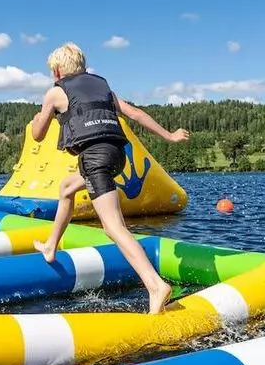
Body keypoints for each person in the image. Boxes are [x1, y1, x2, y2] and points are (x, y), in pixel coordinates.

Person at [31, 42, 190, 314]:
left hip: (95, 159)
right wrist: (170, 135)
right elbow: (136, 114)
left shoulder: (55, 93)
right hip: (117, 155)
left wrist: (38, 118)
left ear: (57, 71)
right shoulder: (104, 88)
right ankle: (50, 246)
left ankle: (155, 285)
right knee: (67, 187)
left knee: (113, 227)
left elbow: (37, 134)